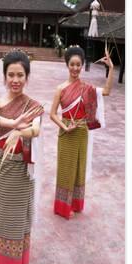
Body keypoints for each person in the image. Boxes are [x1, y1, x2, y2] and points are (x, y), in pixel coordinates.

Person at [0, 50, 44, 264]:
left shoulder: (33, 106)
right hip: (3, 166)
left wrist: (21, 131)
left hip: (23, 169)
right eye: (11, 75)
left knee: (19, 217)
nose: (15, 80)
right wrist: (11, 123)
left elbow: (37, 129)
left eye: (20, 75)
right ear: (4, 77)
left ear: (27, 77)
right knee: (3, 217)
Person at [50, 45, 114, 219]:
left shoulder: (87, 89)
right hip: (66, 133)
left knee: (79, 168)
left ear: (82, 65)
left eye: (79, 64)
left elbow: (107, 91)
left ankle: (75, 204)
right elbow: (52, 114)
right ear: (67, 64)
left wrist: (111, 68)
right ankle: (63, 207)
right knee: (66, 169)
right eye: (72, 64)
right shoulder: (60, 89)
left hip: (82, 133)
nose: (76, 68)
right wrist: (64, 127)